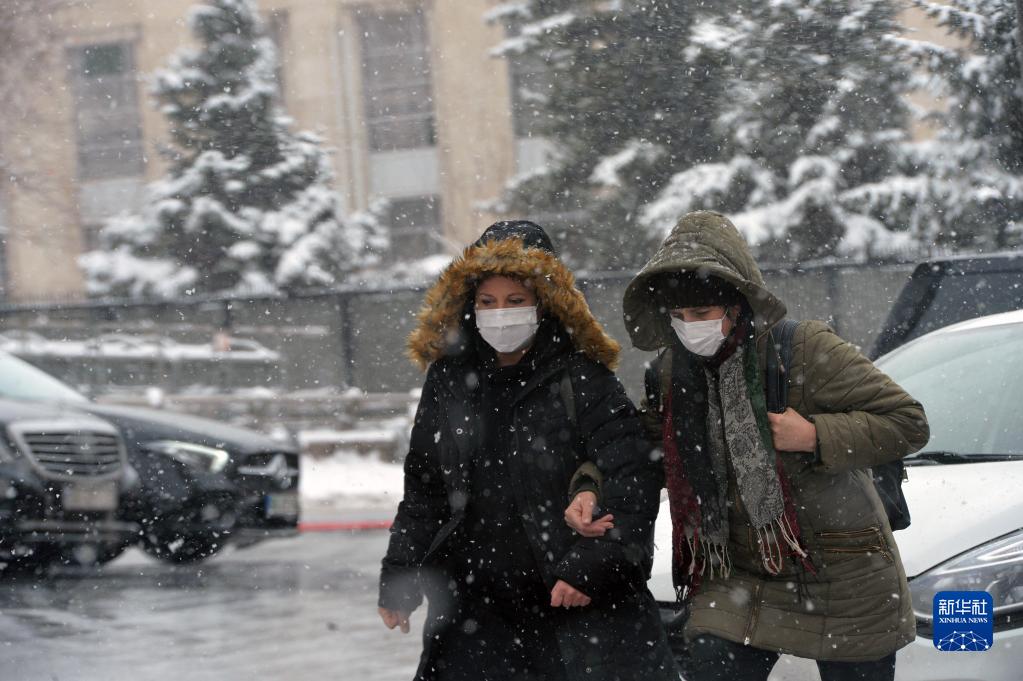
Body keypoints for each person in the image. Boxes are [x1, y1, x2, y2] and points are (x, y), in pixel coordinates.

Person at [565, 211, 930, 681]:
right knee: (713, 663)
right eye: (677, 316)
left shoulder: (804, 348)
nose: (689, 326)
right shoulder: (674, 373)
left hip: (839, 571)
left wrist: (815, 435)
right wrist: (591, 486)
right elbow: (639, 449)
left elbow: (907, 421)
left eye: (701, 313)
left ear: (736, 305)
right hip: (735, 576)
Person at [378, 221, 679, 681]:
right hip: (474, 613)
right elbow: (425, 490)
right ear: (469, 305)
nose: (500, 313)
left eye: (515, 300)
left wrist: (589, 569)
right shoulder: (448, 381)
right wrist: (400, 575)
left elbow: (632, 479)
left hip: (570, 608)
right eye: (487, 301)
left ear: (544, 303)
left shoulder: (583, 377)